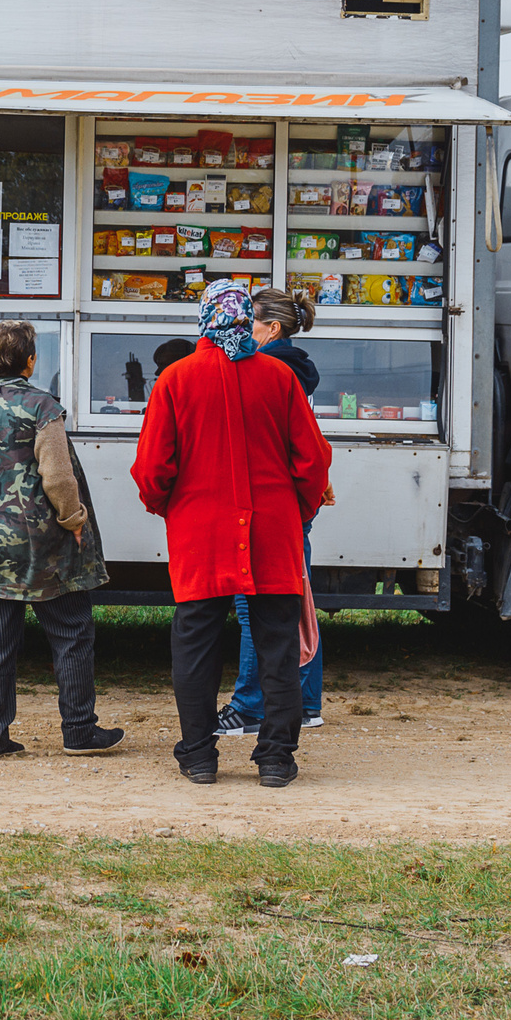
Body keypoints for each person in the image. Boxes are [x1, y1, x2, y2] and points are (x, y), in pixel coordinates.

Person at [132, 279, 330, 788]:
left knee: (195, 642)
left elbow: (152, 466)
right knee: (277, 644)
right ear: (246, 318)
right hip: (273, 530)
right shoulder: (280, 378)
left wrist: (167, 508)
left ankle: (199, 755)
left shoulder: (175, 380)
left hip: (201, 531)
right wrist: (294, 509)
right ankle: (275, 759)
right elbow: (312, 461)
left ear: (203, 318)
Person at [0, 321, 124, 758]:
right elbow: (58, 476)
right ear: (30, 361)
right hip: (42, 545)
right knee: (71, 633)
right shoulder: (42, 407)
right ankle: (80, 731)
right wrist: (74, 519)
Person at [220, 288, 329, 738]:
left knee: (253, 608)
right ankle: (304, 703)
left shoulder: (270, 370)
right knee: (297, 602)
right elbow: (305, 442)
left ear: (273, 328)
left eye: (252, 323)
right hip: (292, 500)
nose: (245, 330)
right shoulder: (297, 370)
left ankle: (248, 706)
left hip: (268, 502)